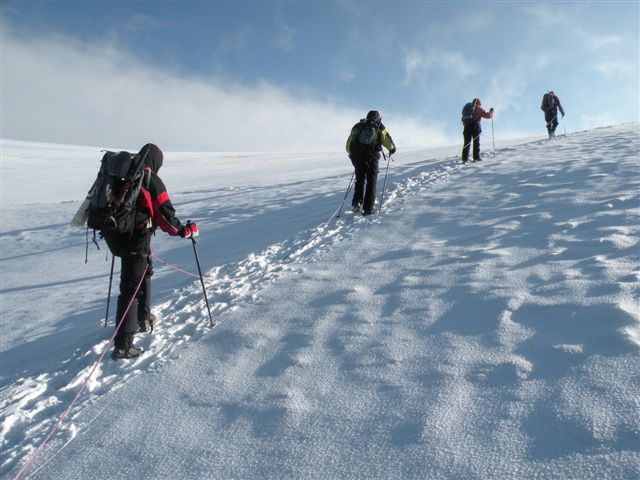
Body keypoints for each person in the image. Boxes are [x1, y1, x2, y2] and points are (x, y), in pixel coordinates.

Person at [103, 143, 199, 360]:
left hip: (117, 236)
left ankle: (142, 318)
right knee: (130, 288)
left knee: (143, 273)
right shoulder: (149, 179)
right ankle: (123, 345)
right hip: (135, 239)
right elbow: (165, 214)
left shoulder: (125, 174)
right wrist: (184, 231)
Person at [346, 110, 396, 215]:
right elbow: (388, 141)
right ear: (377, 118)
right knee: (371, 182)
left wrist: (353, 155)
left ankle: (356, 203)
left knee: (359, 180)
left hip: (357, 157)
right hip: (371, 157)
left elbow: (349, 143)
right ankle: (368, 209)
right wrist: (392, 149)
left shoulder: (359, 125)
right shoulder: (378, 126)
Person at [461, 98, 494, 163]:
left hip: (466, 127)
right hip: (475, 127)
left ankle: (464, 159)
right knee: (476, 143)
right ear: (478, 103)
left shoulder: (467, 109)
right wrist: (491, 112)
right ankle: (476, 158)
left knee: (467, 143)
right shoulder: (477, 109)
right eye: (479, 104)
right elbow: (488, 116)